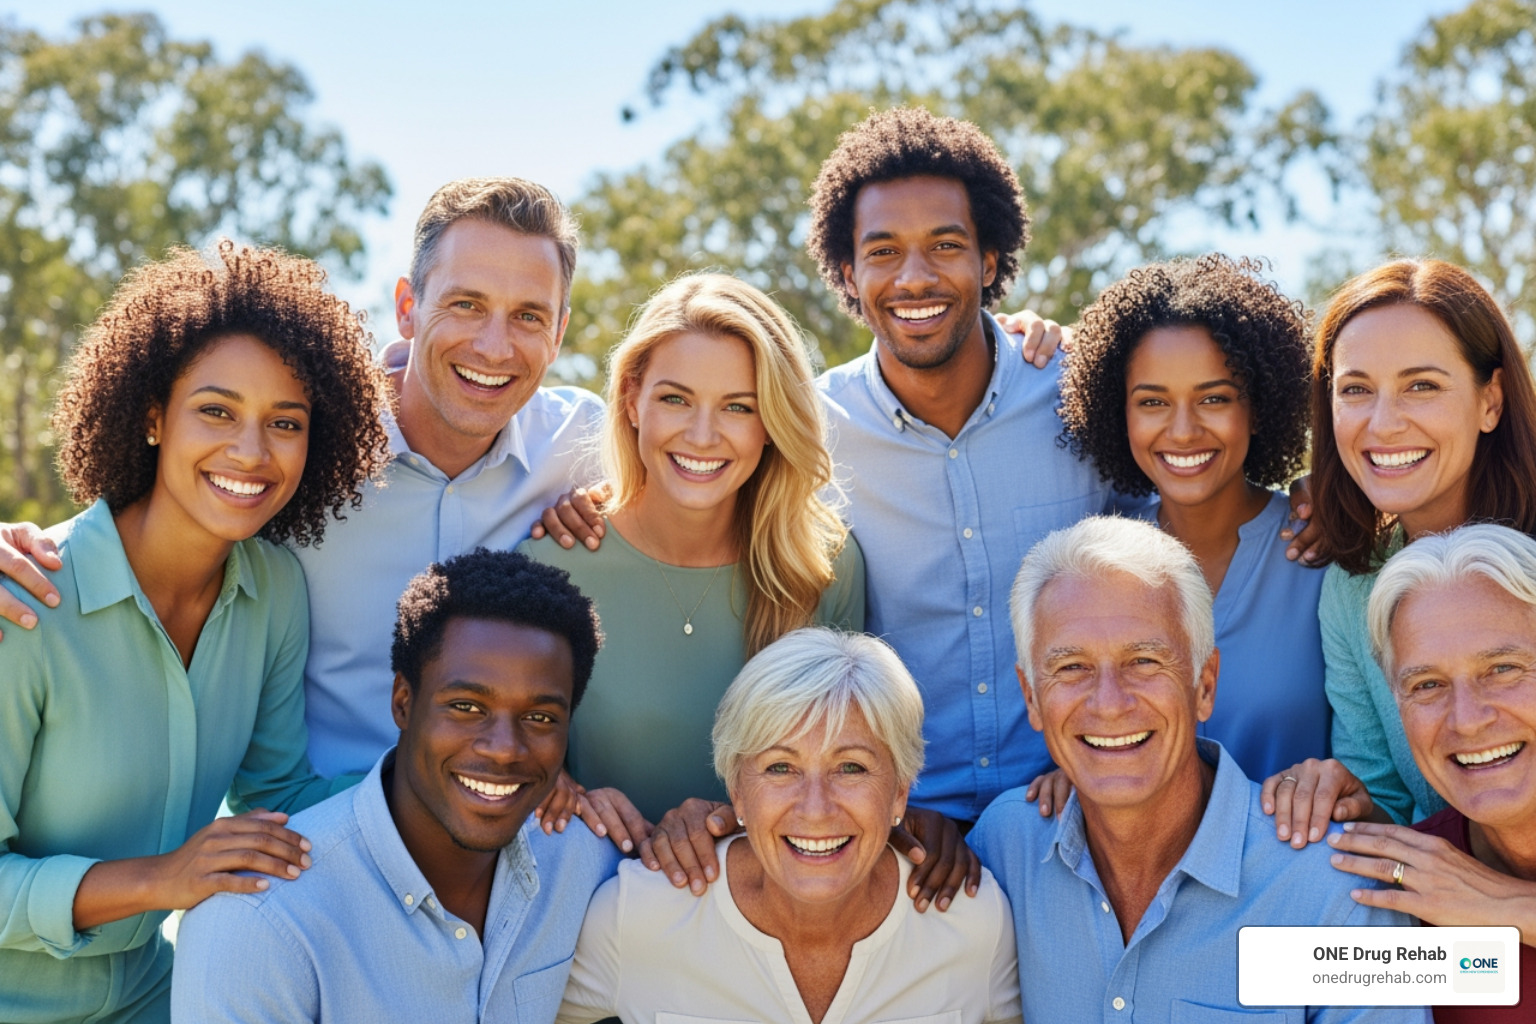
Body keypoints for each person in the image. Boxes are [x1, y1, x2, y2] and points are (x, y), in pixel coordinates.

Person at [0, 178, 605, 804]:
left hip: (518, 824)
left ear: (559, 332)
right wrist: (23, 549)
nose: (494, 345)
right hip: (312, 837)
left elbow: (693, 489)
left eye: (528, 316)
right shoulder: (303, 440)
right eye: (467, 304)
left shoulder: (582, 444)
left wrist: (614, 512)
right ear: (408, 307)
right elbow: (165, 502)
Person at [0, 243, 391, 1023]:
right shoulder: (26, 602)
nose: (251, 452)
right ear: (153, 415)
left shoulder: (274, 588)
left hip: (152, 995)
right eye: (216, 411)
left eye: (286, 422)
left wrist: (440, 776)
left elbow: (278, 795)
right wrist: (162, 879)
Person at [969, 515, 1421, 1023]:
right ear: (1032, 698)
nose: (1110, 703)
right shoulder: (1004, 851)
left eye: (1144, 661)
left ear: (1205, 685)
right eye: (1071, 667)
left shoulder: (1333, 891)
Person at [171, 549, 620, 1024]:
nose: (504, 749)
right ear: (403, 703)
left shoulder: (584, 863)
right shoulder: (259, 924)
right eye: (466, 707)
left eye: (539, 717)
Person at [517, 274, 863, 828]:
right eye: (676, 399)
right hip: (601, 894)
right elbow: (517, 757)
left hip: (771, 897)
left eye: (739, 407)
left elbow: (849, 768)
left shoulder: (825, 565)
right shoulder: (553, 565)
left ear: (773, 422)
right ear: (632, 400)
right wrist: (565, 796)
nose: (702, 436)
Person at [556, 627, 1021, 1024]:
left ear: (900, 790)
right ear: (737, 789)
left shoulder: (973, 925)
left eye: (851, 768)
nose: (815, 809)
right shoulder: (638, 913)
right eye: (780, 767)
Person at [1263, 259, 1536, 841]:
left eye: (1422, 386)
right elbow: (1391, 800)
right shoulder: (1351, 587)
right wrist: (1350, 802)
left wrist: (1503, 901)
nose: (1383, 424)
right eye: (1356, 389)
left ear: (1491, 400)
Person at [1050, 253, 1323, 785]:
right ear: (1117, 410)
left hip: (1297, 858)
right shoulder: (1098, 561)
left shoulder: (1320, 548)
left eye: (1214, 398)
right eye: (1152, 402)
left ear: (1260, 406)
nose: (1182, 431)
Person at [1325, 524, 1536, 1022]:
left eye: (1503, 669)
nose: (1467, 718)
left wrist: (1511, 907)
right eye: (1427, 685)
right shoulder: (1397, 894)